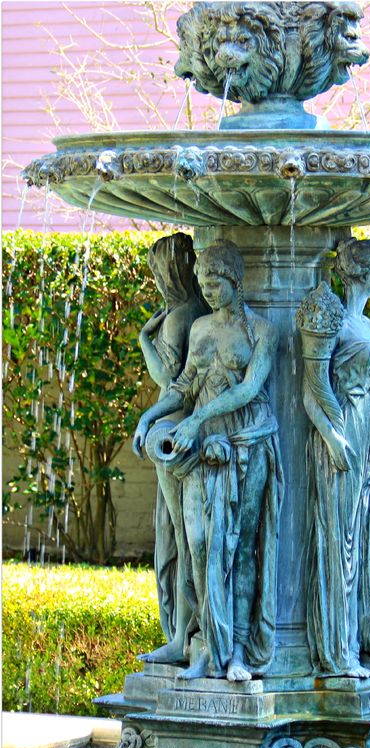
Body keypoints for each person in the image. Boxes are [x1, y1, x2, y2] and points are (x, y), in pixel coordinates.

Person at [133, 240, 283, 681]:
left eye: (215, 282)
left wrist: (198, 419)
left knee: (240, 549)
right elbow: (183, 385)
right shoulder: (198, 329)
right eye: (202, 283)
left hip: (247, 441)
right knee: (199, 544)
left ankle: (235, 650)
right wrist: (150, 416)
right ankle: (203, 646)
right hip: (203, 447)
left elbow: (249, 389)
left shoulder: (262, 331)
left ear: (235, 280)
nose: (208, 290)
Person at [299, 238, 370, 677]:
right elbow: (310, 389)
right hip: (344, 442)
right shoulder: (333, 318)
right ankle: (338, 654)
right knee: (340, 546)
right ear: (362, 273)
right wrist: (332, 437)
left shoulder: (364, 323)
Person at [137, 232, 206, 663]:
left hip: (173, 436)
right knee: (186, 541)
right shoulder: (203, 312)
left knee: (178, 544)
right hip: (192, 432)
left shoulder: (180, 317)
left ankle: (180, 635)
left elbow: (169, 378)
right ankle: (186, 633)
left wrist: (146, 337)